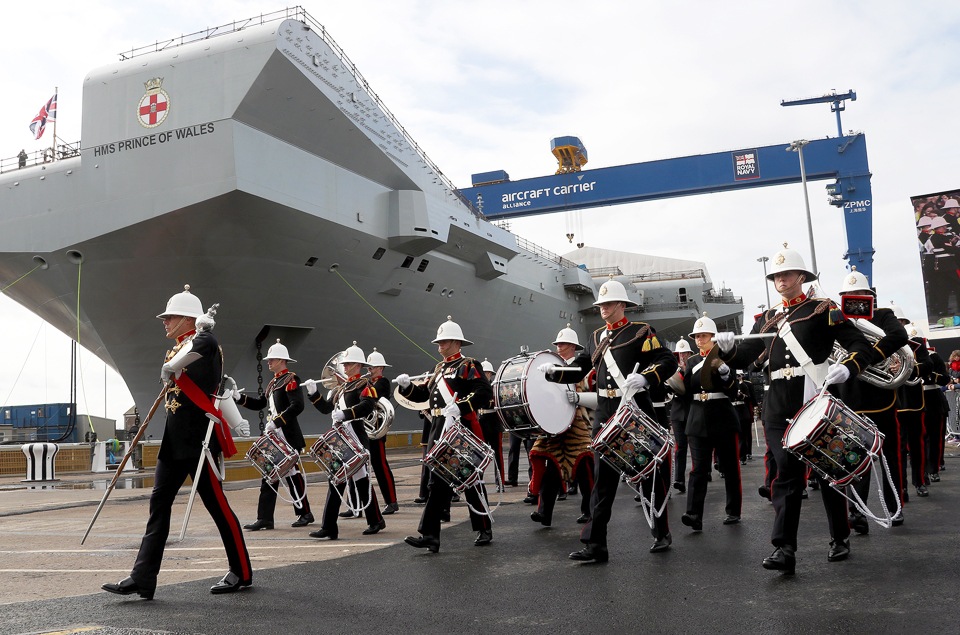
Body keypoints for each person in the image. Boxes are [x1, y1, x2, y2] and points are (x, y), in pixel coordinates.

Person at [715, 245, 872, 574]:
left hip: (812, 397)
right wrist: (728, 351)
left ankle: (840, 536)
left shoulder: (822, 309)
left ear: (801, 276)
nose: (780, 280)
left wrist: (850, 367)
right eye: (776, 276)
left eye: (786, 274)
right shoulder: (767, 319)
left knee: (828, 471)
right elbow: (747, 359)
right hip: (776, 406)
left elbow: (859, 344)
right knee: (785, 474)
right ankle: (784, 548)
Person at [102, 285, 251, 599]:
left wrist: (173, 368)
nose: (164, 322)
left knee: (218, 507)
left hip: (199, 441)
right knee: (159, 506)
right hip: (173, 442)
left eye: (170, 317)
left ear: (187, 319)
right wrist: (172, 366)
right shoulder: (176, 348)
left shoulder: (206, 343)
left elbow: (205, 356)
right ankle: (143, 577)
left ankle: (242, 570)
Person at [542, 277, 678, 560]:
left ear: (620, 304)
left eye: (607, 303)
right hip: (605, 413)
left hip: (634, 410)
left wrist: (646, 377)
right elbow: (580, 369)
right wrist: (554, 372)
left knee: (648, 476)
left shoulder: (641, 331)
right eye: (600, 304)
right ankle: (596, 544)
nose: (602, 308)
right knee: (602, 481)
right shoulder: (596, 337)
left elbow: (668, 360)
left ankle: (661, 532)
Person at [397, 316, 494, 552]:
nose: (440, 345)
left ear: (457, 343)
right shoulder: (438, 369)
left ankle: (484, 526)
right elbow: (423, 397)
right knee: (436, 483)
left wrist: (461, 406)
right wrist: (407, 387)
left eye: (445, 341)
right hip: (438, 428)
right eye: (439, 341)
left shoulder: (469, 365)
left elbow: (483, 392)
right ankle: (431, 536)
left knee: (469, 479)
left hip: (460, 428)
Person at [831, 270, 908, 533]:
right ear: (842, 297)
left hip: (881, 398)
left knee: (891, 458)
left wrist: (865, 358)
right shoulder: (838, 319)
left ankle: (894, 507)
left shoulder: (883, 315)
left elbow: (899, 337)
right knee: (854, 460)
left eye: (860, 295)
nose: (854, 298)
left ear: (870, 296)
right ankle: (857, 512)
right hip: (850, 398)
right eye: (848, 296)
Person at [304, 342, 386, 539]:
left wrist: (346, 414)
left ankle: (372, 520)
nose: (345, 367)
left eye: (349, 364)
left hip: (355, 437)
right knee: (338, 479)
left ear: (358, 366)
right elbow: (326, 409)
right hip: (341, 439)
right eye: (345, 364)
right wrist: (314, 394)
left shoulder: (364, 385)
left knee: (359, 481)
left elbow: (368, 406)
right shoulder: (342, 388)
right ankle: (333, 526)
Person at [233, 339, 313, 531]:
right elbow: (261, 403)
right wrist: (239, 398)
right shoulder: (274, 382)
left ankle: (304, 513)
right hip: (275, 436)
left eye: (272, 359)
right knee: (269, 474)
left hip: (286, 435)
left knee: (292, 474)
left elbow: (298, 406)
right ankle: (265, 518)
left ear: (281, 360)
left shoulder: (291, 379)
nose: (268, 362)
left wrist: (277, 422)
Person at [678, 313, 742, 531]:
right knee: (698, 470)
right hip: (697, 420)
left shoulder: (726, 357)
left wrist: (727, 376)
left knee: (730, 467)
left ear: (714, 337)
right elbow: (687, 393)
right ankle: (694, 514)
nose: (699, 340)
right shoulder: (692, 362)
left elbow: (734, 393)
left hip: (722, 416)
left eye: (703, 336)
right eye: (696, 336)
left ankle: (733, 511)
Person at [529, 324, 596, 527]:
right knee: (551, 469)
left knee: (585, 471)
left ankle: (589, 510)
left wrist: (578, 397)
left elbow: (599, 397)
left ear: (574, 347)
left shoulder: (585, 369)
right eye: (558, 343)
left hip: (579, 425)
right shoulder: (550, 367)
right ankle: (544, 512)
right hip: (555, 424)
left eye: (564, 343)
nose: (559, 347)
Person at [892, 314, 933, 500]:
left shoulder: (916, 342)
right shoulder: (887, 341)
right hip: (896, 400)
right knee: (899, 449)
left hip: (915, 402)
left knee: (917, 446)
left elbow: (928, 365)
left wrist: (908, 368)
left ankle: (920, 482)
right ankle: (902, 488)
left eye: (901, 322)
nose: (898, 324)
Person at [366, 349, 400, 515]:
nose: (369, 370)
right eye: (368, 367)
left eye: (372, 367)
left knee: (380, 467)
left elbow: (376, 397)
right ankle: (357, 504)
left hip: (376, 431)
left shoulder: (383, 382)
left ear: (380, 368)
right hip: (365, 431)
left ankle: (391, 501)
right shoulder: (367, 384)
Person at [667, 339, 695, 493]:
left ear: (690, 354)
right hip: (678, 414)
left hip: (692, 411)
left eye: (685, 353)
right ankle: (679, 479)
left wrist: (686, 371)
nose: (682, 356)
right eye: (679, 353)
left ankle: (703, 473)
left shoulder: (695, 369)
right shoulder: (672, 371)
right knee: (680, 448)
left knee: (697, 447)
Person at [478, 359, 507, 490]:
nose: (484, 375)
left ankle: (500, 483)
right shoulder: (477, 387)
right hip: (481, 423)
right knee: (479, 455)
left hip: (494, 422)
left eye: (486, 373)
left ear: (490, 374)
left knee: (498, 455)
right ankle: (478, 481)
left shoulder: (496, 387)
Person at [922, 344, 950, 484]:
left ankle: (934, 468)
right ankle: (922, 472)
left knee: (934, 437)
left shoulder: (933, 357)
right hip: (912, 400)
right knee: (918, 440)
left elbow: (945, 378)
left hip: (932, 398)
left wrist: (929, 373)